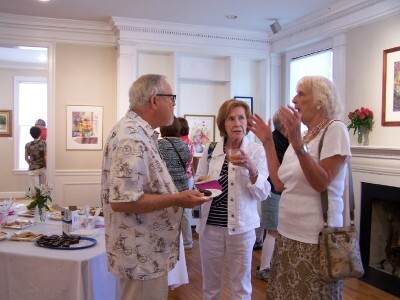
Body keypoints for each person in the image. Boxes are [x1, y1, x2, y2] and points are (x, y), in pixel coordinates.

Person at [101, 74, 210, 300]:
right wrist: (178, 199)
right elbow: (123, 201)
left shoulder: (139, 133)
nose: (174, 104)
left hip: (145, 250)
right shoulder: (132, 138)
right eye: (171, 98)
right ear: (154, 101)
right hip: (141, 254)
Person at [249, 76, 351, 299]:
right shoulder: (304, 136)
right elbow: (278, 183)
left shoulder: (335, 130)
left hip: (314, 240)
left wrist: (298, 145)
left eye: (301, 93)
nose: (294, 99)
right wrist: (267, 141)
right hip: (287, 235)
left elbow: (321, 182)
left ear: (320, 101)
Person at [195, 99, 271, 300]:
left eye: (241, 118)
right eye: (231, 118)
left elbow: (263, 193)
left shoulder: (256, 151)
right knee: (210, 287)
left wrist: (252, 169)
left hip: (242, 229)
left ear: (247, 123)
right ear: (223, 123)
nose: (237, 123)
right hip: (210, 228)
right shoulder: (211, 150)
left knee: (241, 287)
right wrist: (205, 186)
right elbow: (198, 180)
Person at [255, 110, 289, 281]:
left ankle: (266, 262)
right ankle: (264, 268)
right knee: (273, 230)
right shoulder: (277, 141)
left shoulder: (279, 139)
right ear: (285, 126)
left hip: (274, 190)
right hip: (273, 191)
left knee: (270, 226)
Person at [177, 116, 195, 250]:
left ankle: (187, 242)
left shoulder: (180, 143)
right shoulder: (189, 142)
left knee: (183, 212)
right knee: (185, 211)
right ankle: (187, 240)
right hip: (189, 178)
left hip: (183, 179)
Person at [25, 126, 47, 191]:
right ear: (40, 134)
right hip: (42, 168)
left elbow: (26, 158)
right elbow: (45, 156)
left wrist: (31, 164)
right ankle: (43, 201)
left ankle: (37, 201)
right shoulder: (44, 143)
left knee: (35, 191)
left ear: (31, 134)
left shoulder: (27, 145)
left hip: (32, 170)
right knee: (44, 190)